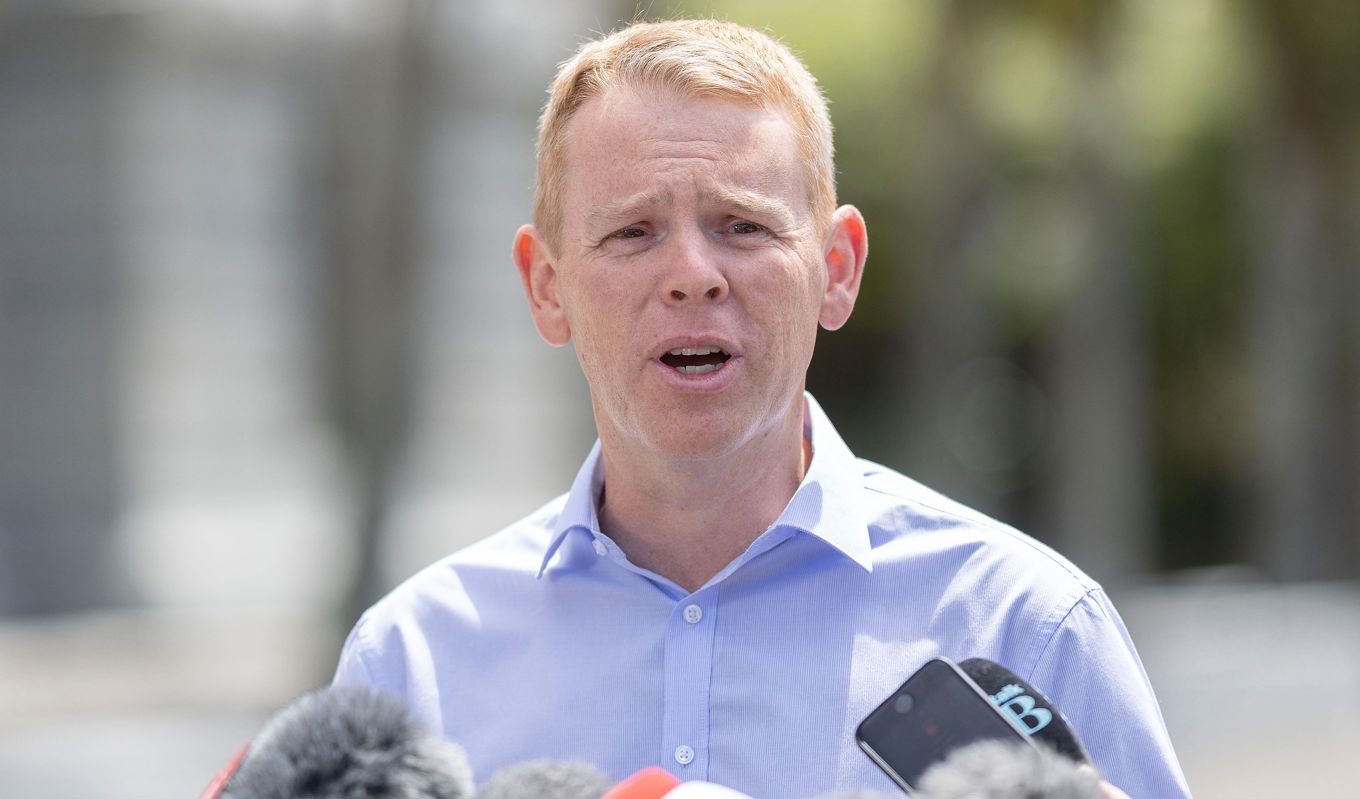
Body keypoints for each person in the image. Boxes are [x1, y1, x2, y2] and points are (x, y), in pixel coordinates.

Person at [333, 19, 1190, 799]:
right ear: (546, 287)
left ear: (838, 267)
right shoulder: (412, 664)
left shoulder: (1025, 628)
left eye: (742, 225)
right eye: (633, 232)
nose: (693, 272)